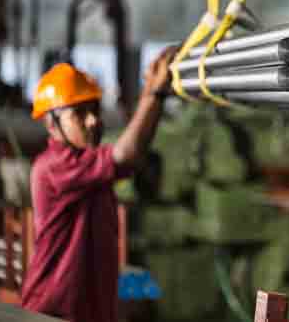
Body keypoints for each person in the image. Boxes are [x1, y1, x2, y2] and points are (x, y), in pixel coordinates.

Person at [21, 46, 177, 322]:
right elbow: (126, 154)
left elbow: (130, 153)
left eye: (94, 110)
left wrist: (149, 90)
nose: (93, 121)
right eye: (79, 114)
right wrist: (155, 92)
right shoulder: (52, 167)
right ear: (51, 124)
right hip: (54, 310)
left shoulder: (88, 165)